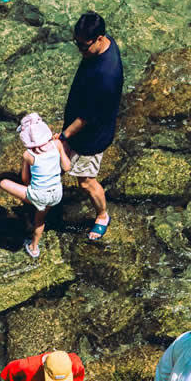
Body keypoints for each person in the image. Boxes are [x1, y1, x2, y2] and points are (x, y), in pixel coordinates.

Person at [54, 12, 123, 241]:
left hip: (91, 135)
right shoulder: (101, 46)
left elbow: (87, 117)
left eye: (83, 46)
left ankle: (102, 215)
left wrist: (63, 136)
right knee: (61, 163)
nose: (79, 50)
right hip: (82, 123)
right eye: (77, 43)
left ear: (99, 38)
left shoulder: (107, 76)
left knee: (86, 182)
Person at [0, 113, 71, 258]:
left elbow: (25, 179)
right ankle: (34, 247)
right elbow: (67, 167)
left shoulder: (29, 155)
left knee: (3, 182)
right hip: (57, 193)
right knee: (41, 218)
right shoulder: (56, 144)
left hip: (39, 194)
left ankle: (33, 245)